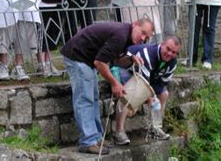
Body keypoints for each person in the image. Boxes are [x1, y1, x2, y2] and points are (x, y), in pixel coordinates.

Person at [60, 19, 154, 155]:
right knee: (85, 99)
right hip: (78, 56)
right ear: (134, 24)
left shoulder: (126, 36)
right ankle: (88, 141)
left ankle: (97, 138)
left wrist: (131, 59)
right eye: (143, 33)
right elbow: (100, 62)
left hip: (87, 59)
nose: (143, 38)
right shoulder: (121, 35)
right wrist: (115, 83)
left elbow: (115, 59)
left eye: (146, 37)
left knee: (93, 98)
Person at [113, 36, 181, 145]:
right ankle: (119, 132)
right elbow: (142, 82)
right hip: (126, 69)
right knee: (128, 93)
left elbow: (161, 84)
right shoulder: (148, 53)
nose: (170, 54)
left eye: (174, 52)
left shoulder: (172, 63)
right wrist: (149, 98)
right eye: (168, 49)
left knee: (164, 94)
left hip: (147, 76)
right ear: (162, 44)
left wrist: (154, 98)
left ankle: (156, 128)